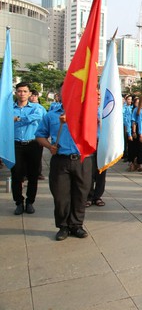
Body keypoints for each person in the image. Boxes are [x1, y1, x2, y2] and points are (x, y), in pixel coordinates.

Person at [35, 97, 92, 240]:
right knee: (61, 196)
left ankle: (77, 225)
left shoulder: (87, 115)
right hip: (60, 160)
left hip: (82, 160)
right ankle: (63, 226)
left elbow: (95, 134)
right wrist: (49, 146)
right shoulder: (51, 115)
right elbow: (40, 135)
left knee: (81, 194)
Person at [11, 82, 46, 215]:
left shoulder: (36, 107)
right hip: (15, 144)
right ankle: (19, 202)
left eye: (25, 91)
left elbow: (36, 117)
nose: (22, 94)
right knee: (16, 175)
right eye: (19, 91)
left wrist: (18, 118)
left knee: (33, 175)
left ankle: (30, 201)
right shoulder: (9, 108)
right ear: (16, 93)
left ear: (29, 93)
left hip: (33, 144)